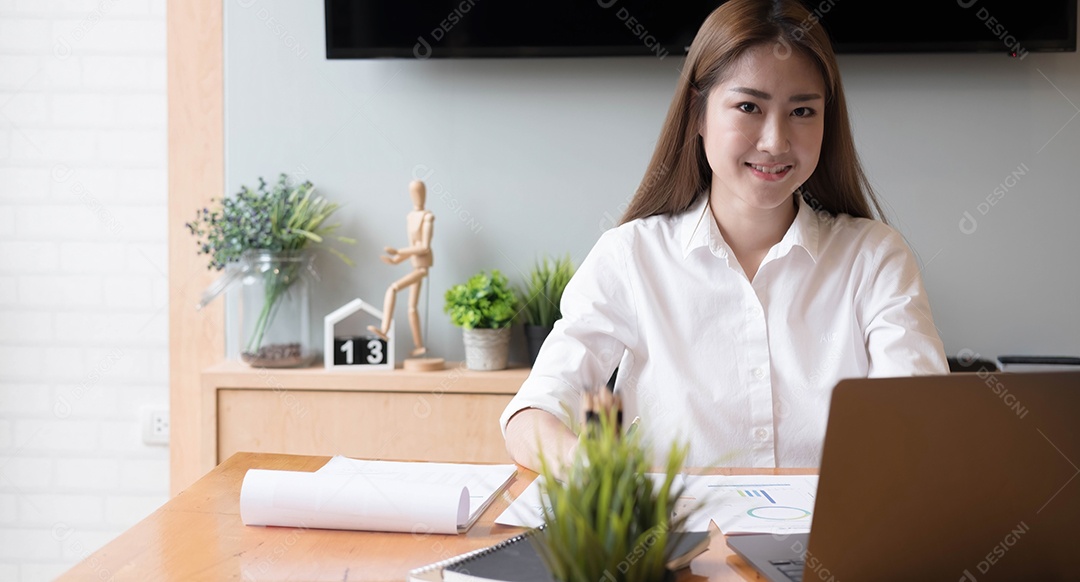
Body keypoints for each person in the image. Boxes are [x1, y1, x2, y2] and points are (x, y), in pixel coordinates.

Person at [500, 0, 948, 472]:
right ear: (698, 113)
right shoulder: (632, 256)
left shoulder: (875, 257)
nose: (775, 141)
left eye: (802, 111)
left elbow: (919, 421)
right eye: (749, 106)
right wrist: (588, 470)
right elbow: (533, 412)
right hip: (674, 543)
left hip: (832, 542)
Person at [368, 180, 436, 358]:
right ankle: (419, 346)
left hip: (422, 268)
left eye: (419, 192)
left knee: (393, 288)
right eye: (413, 192)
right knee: (412, 308)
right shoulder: (410, 216)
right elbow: (413, 246)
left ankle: (384, 328)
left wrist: (399, 252)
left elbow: (424, 248)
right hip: (415, 264)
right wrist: (397, 259)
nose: (417, 196)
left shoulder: (427, 217)